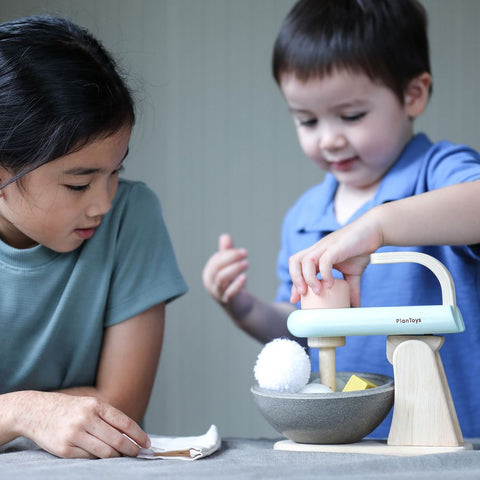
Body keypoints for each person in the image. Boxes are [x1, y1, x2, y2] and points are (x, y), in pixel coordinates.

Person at [203, 0, 480, 438]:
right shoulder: (305, 217)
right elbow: (301, 325)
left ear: (413, 94)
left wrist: (379, 225)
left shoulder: (438, 174)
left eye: (351, 116)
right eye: (307, 120)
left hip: (454, 439)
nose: (329, 139)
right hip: (347, 445)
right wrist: (244, 309)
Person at [0, 15, 187, 458]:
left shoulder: (131, 215)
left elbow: (120, 406)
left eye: (116, 171)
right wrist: (21, 412)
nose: (103, 202)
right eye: (78, 184)